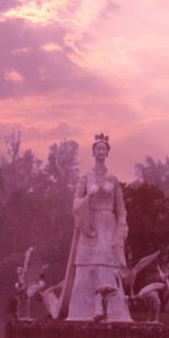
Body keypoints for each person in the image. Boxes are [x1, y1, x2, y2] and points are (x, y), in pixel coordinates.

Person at [59, 133, 133, 321]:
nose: (101, 151)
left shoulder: (114, 180)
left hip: (108, 224)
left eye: (104, 149)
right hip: (90, 225)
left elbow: (121, 209)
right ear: (93, 152)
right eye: (98, 148)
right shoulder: (86, 178)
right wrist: (89, 196)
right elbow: (75, 203)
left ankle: (112, 312)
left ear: (108, 152)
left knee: (107, 263)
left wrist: (120, 231)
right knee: (86, 264)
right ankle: (81, 312)